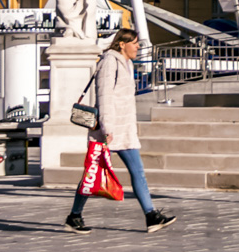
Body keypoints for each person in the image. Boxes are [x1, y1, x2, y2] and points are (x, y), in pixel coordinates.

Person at [65, 27, 175, 234]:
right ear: (122, 44)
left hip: (124, 130)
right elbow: (104, 96)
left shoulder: (127, 62)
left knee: (138, 172)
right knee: (92, 174)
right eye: (134, 43)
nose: (138, 46)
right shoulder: (109, 61)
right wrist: (107, 127)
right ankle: (74, 216)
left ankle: (151, 216)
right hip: (109, 130)